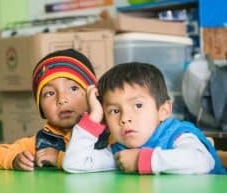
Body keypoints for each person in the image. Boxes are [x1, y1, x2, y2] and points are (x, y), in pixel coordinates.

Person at [63, 62, 226, 174]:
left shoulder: (178, 135)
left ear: (163, 111)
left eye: (138, 106)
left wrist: (142, 160)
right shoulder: (121, 150)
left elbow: (202, 162)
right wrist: (94, 117)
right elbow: (74, 163)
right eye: (114, 111)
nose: (125, 118)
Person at [0, 48, 102, 171]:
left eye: (73, 88)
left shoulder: (107, 135)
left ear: (93, 96)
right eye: (49, 93)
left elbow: (112, 159)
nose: (61, 99)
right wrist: (14, 160)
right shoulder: (42, 141)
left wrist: (59, 158)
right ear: (41, 107)